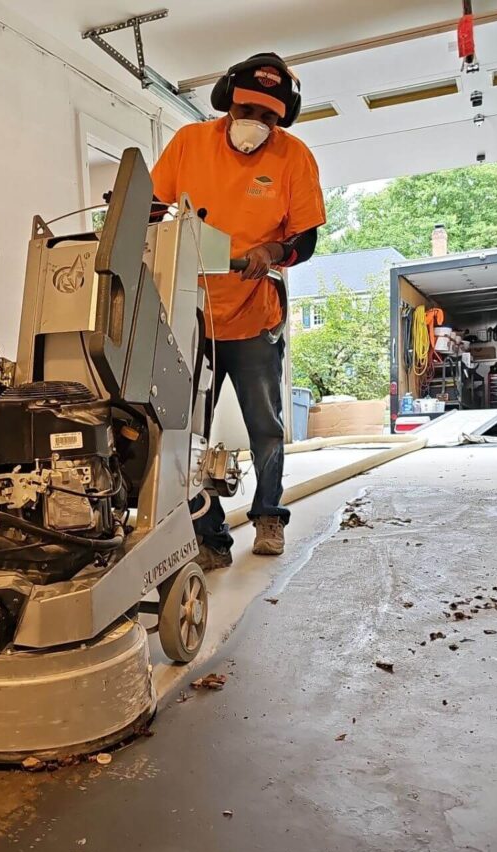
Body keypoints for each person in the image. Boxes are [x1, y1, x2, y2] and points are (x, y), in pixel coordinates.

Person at [150, 52, 326, 569]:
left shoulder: (294, 158)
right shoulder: (188, 144)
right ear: (228, 100)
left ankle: (268, 513)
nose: (256, 124)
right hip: (192, 314)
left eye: (270, 117)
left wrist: (272, 253)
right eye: (248, 109)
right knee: (188, 430)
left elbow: (306, 238)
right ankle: (207, 536)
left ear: (283, 118)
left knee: (265, 425)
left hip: (253, 313)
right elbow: (154, 208)